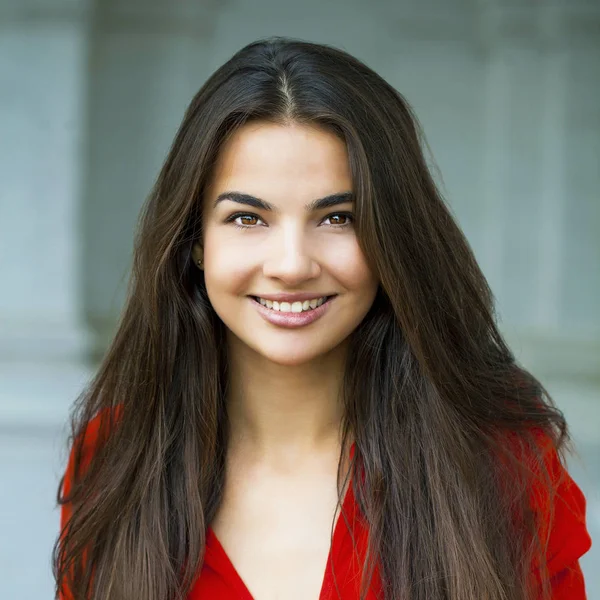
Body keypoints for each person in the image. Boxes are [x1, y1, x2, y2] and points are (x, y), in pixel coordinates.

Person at [53, 36, 592, 600]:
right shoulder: (114, 458)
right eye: (247, 219)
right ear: (195, 243)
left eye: (337, 218)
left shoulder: (502, 462)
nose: (291, 265)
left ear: (393, 237)